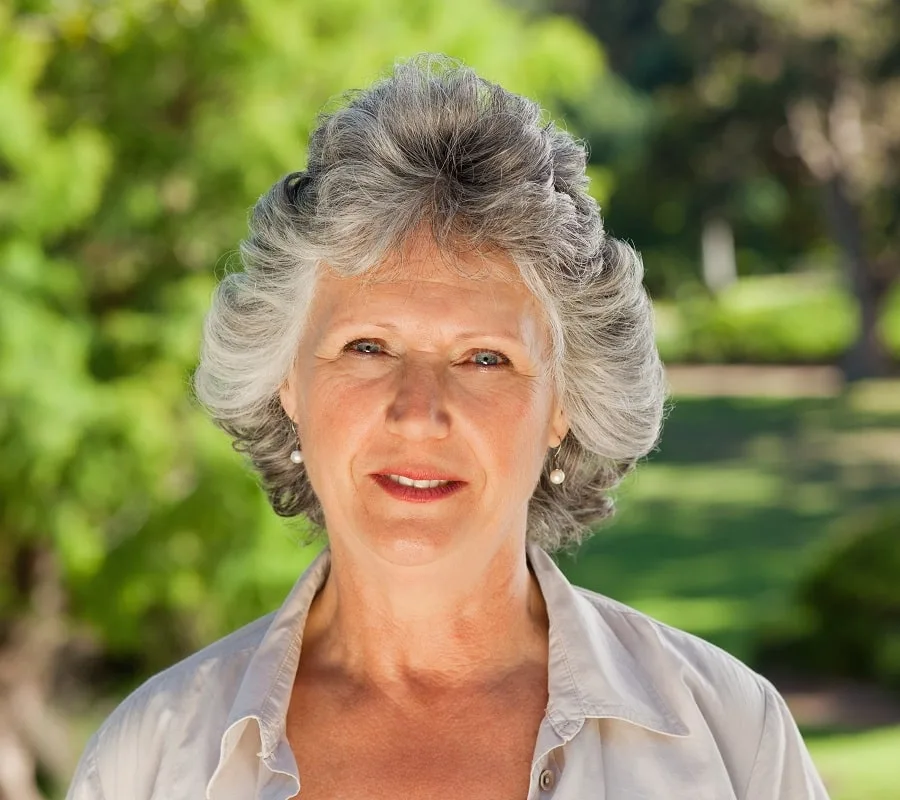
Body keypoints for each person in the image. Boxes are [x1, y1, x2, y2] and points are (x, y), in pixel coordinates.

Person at [66, 55, 829, 799]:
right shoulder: (154, 759)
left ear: (563, 404)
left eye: (484, 359)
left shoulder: (730, 737)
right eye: (368, 347)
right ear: (287, 381)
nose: (419, 412)